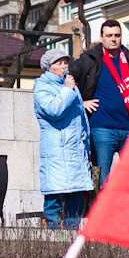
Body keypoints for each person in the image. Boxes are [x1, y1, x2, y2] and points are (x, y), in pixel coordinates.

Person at [69, 19, 129, 187]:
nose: (113, 39)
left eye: (117, 35)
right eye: (109, 35)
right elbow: (65, 81)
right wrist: (81, 103)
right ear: (101, 37)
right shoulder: (89, 60)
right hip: (102, 128)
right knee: (102, 178)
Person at [34, 48, 93, 229]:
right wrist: (68, 90)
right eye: (58, 63)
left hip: (75, 149)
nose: (64, 66)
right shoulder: (42, 86)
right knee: (54, 194)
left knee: (75, 192)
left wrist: (86, 146)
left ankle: (71, 231)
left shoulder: (69, 85)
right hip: (57, 150)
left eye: (65, 62)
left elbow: (80, 118)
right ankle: (52, 233)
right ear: (48, 67)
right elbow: (54, 110)